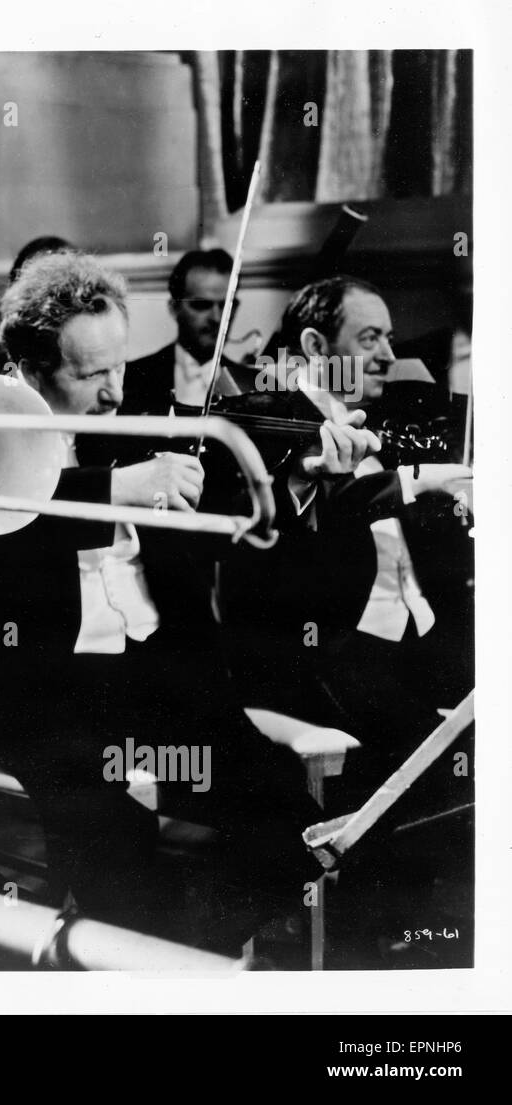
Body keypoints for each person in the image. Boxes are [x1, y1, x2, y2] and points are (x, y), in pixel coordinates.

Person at [0, 253, 375, 942]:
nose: (116, 392)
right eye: (89, 375)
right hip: (45, 697)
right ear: (28, 369)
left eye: (119, 365)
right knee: (113, 843)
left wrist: (301, 478)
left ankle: (193, 951)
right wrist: (118, 489)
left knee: (292, 826)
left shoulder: (140, 432)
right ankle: (144, 959)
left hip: (156, 683)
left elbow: (232, 528)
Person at [218, 276, 474, 797]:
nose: (387, 355)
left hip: (418, 641)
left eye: (389, 337)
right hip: (328, 655)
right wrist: (420, 479)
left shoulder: (385, 423)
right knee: (437, 770)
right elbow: (268, 540)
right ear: (315, 346)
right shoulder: (266, 425)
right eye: (369, 338)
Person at [123, 249, 261, 415]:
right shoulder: (131, 377)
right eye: (201, 305)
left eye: (225, 307)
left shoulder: (256, 385)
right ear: (174, 308)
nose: (217, 318)